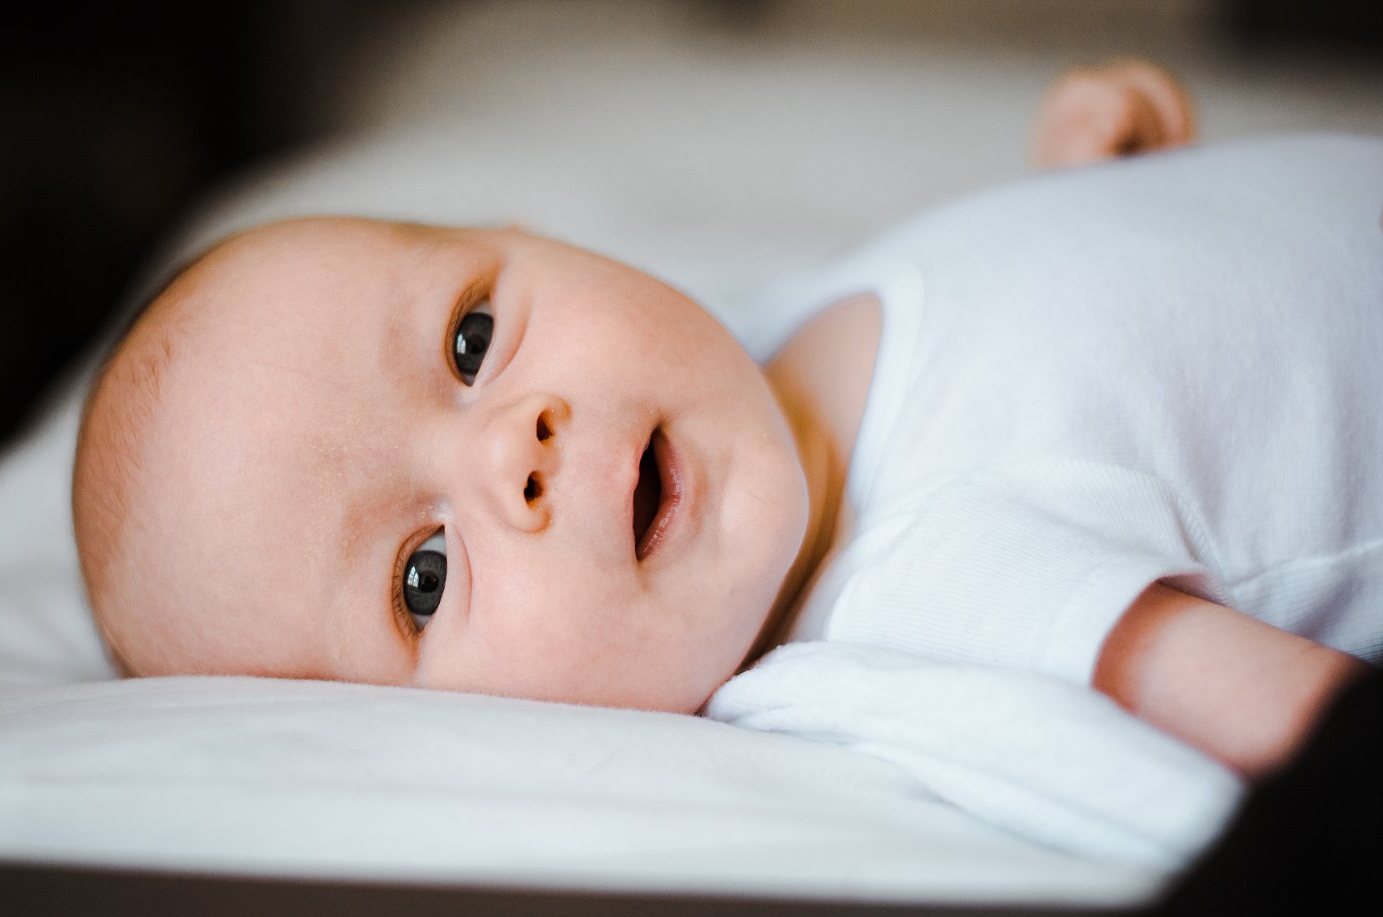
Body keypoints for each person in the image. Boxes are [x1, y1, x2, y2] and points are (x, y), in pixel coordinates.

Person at [72, 60, 1378, 779]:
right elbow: (1268, 708)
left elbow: (1073, 366)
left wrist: (1098, 196)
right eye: (423, 575)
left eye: (473, 338)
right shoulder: (936, 589)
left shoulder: (788, 328)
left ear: (543, 239)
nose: (509, 453)